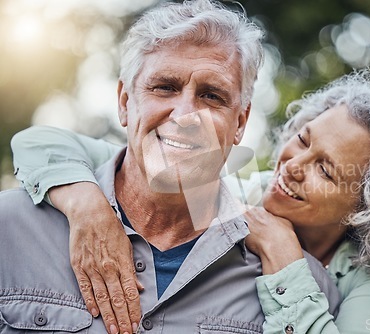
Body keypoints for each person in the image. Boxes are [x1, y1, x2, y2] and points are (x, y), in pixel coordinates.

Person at [10, 68, 370, 333]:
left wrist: (284, 257)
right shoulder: (241, 190)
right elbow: (40, 142)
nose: (293, 165)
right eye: (302, 139)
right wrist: (86, 206)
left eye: (325, 169)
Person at [0, 0, 340, 333]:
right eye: (164, 87)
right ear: (124, 102)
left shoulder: (305, 292)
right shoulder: (10, 229)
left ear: (240, 122)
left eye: (211, 96)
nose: (185, 116)